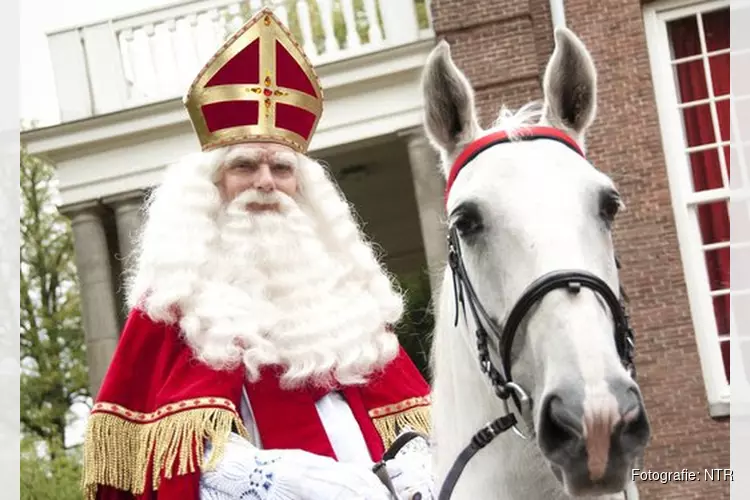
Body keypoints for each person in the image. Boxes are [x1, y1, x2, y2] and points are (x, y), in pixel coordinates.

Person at [81, 8, 435, 500]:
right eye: (245, 165)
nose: (266, 182)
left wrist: (418, 462)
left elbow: (412, 415)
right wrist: (290, 480)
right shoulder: (174, 304)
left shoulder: (345, 296)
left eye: (283, 169)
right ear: (211, 186)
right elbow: (166, 457)